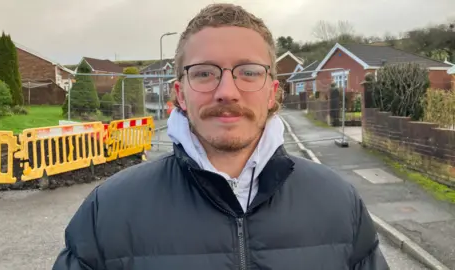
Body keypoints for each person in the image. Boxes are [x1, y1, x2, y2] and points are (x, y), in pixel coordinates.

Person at [53, 3, 389, 270]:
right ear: (180, 94)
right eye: (203, 73)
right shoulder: (108, 211)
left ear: (272, 93)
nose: (227, 91)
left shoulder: (340, 205)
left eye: (248, 72)